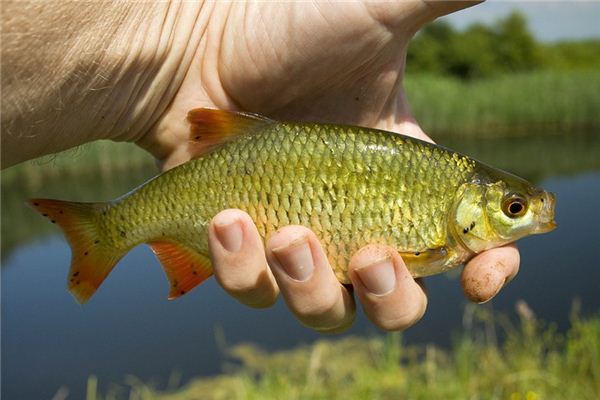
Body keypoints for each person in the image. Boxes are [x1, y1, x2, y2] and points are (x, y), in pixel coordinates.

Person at [1, 1, 519, 332]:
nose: (520, 216)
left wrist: (188, 49)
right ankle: (105, 229)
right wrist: (191, 47)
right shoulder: (443, 238)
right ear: (472, 204)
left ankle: (112, 229)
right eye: (512, 208)